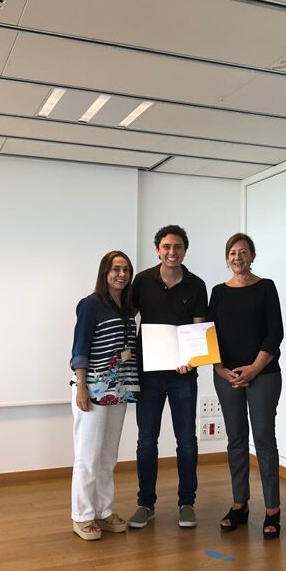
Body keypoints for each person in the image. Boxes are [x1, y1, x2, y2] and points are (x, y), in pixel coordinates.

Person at [128, 225, 208, 529]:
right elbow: (128, 319)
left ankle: (187, 503)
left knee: (186, 441)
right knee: (146, 441)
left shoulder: (196, 285)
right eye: (166, 247)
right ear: (157, 250)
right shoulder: (142, 281)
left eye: (177, 247)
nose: (172, 252)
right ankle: (145, 504)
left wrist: (191, 360)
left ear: (185, 250)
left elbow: (199, 329)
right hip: (148, 375)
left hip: (182, 377)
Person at [208, 233, 283, 539]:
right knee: (236, 439)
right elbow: (209, 335)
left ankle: (273, 510)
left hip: (263, 374)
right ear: (227, 258)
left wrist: (253, 369)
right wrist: (220, 369)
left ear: (252, 256)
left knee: (264, 440)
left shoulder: (266, 287)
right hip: (226, 376)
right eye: (232, 253)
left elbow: (275, 333)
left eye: (243, 252)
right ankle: (240, 504)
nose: (237, 257)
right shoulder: (218, 292)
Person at [69, 251, 139, 540]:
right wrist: (81, 386)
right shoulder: (90, 305)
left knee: (108, 456)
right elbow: (80, 348)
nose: (121, 274)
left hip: (119, 390)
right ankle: (82, 515)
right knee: (88, 456)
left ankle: (103, 510)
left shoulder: (127, 307)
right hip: (93, 390)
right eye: (116, 269)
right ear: (105, 273)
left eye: (126, 270)